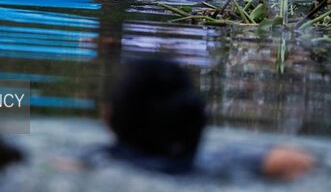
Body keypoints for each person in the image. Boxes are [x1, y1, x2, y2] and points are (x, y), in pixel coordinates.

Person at [102, 58, 314, 179]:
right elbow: (296, 161)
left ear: (109, 118)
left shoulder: (99, 162)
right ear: (197, 119)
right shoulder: (220, 162)